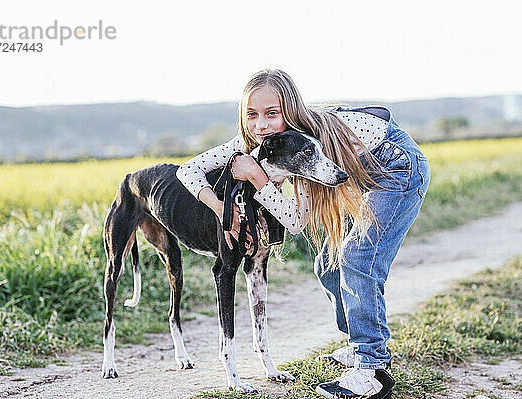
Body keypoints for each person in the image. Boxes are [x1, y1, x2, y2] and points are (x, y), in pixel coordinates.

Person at [176, 69, 430, 399]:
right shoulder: (261, 140)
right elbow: (188, 170)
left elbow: (294, 222)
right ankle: (358, 349)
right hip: (371, 178)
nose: (261, 125)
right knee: (327, 265)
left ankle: (372, 370)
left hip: (399, 168)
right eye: (251, 115)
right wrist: (224, 210)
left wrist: (258, 179)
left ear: (291, 110)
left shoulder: (311, 140)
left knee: (357, 258)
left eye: (272, 113)